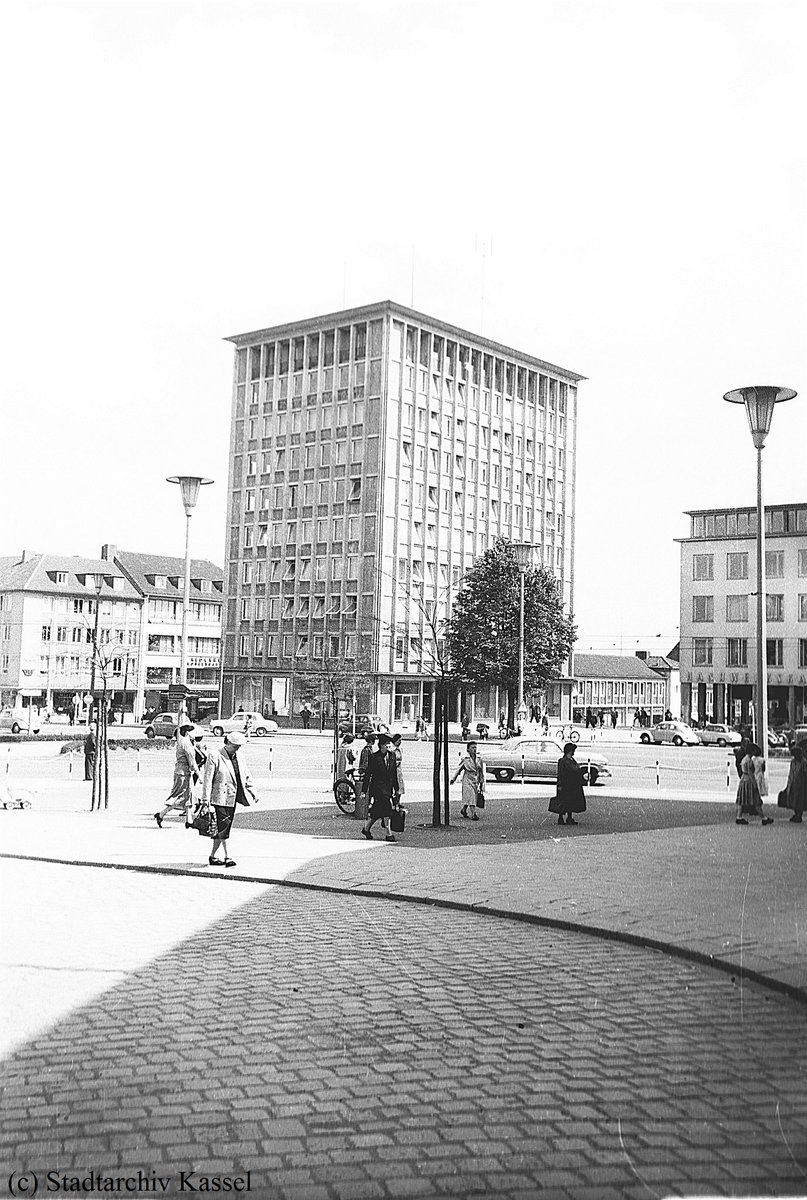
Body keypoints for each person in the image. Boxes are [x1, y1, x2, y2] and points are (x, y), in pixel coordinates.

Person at [199, 731, 257, 867]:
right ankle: (228, 856)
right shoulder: (215, 755)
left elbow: (246, 774)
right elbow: (208, 779)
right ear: (228, 742)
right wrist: (205, 799)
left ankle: (213, 857)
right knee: (224, 826)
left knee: (222, 827)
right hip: (219, 797)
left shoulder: (240, 757)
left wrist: (253, 791)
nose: (237, 748)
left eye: (239, 746)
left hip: (232, 796)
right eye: (235, 746)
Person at [154, 722, 198, 828]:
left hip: (182, 771)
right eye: (193, 732)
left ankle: (189, 821)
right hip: (183, 773)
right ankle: (161, 814)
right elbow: (192, 762)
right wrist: (199, 775)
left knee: (188, 796)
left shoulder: (183, 742)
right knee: (180, 796)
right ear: (188, 733)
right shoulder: (186, 744)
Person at [360, 733, 400, 842]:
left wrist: (396, 788)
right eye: (387, 743)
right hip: (378, 788)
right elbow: (368, 774)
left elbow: (394, 773)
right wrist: (364, 790)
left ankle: (366, 829)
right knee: (387, 809)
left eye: (389, 743)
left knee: (377, 812)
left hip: (388, 788)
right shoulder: (374, 757)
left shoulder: (392, 756)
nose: (389, 745)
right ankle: (388, 834)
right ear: (381, 745)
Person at [735, 743, 773, 826]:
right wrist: (755, 784)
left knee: (742, 800)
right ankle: (763, 818)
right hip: (749, 781)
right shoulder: (749, 760)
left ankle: (739, 817)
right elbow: (750, 773)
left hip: (743, 780)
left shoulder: (745, 759)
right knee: (756, 799)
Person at [551, 742, 587, 826]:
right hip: (565, 784)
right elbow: (560, 773)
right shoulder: (562, 761)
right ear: (570, 751)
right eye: (573, 750)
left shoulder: (572, 760)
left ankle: (569, 818)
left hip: (572, 785)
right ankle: (561, 818)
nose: (574, 752)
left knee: (570, 801)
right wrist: (559, 784)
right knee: (563, 801)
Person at [451, 740, 485, 821]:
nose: (474, 749)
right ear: (468, 750)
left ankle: (463, 810)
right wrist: (453, 779)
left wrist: (481, 782)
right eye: (472, 748)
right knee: (471, 796)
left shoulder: (479, 759)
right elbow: (458, 769)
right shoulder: (465, 759)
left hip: (475, 780)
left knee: (470, 797)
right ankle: (474, 814)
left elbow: (481, 771)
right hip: (467, 780)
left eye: (475, 747)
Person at [782, 743, 807, 823]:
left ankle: (799, 815)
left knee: (800, 799)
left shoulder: (804, 762)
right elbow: (791, 772)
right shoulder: (793, 762)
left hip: (801, 783)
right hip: (793, 782)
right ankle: (796, 813)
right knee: (794, 798)